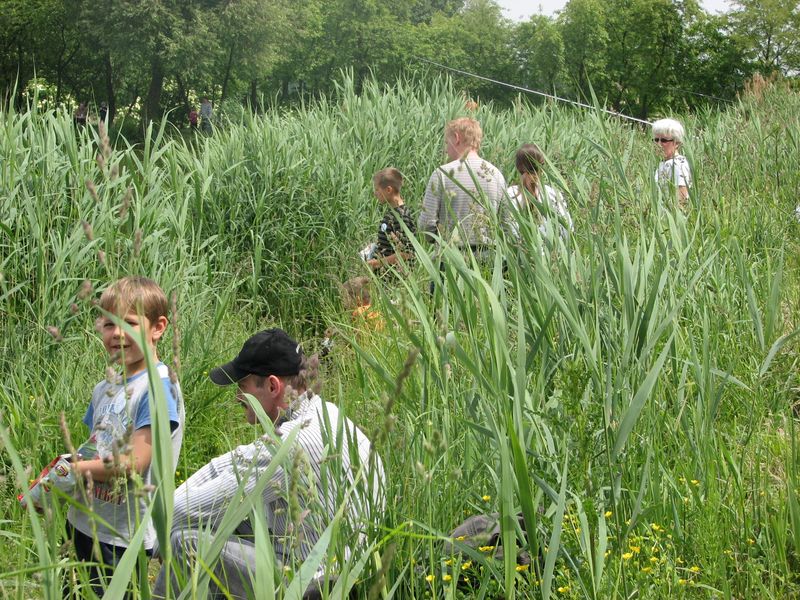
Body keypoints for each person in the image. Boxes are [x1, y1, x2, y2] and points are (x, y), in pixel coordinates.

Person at [153, 328, 384, 599]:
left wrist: (150, 532)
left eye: (243, 386)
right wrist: (166, 506)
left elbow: (192, 508)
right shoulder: (320, 413)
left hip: (316, 581)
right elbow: (226, 466)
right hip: (339, 560)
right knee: (216, 523)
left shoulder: (294, 443)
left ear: (273, 386)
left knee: (186, 544)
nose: (238, 397)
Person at [54, 276, 184, 597]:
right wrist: (54, 484)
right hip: (82, 522)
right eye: (108, 324)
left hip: (120, 538)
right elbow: (89, 450)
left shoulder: (157, 388)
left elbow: (133, 464)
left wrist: (76, 470)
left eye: (128, 323)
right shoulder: (106, 387)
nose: (117, 334)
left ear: (158, 327)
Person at [418, 117, 507, 255]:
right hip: (488, 259)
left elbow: (426, 224)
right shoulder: (496, 175)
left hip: (449, 257)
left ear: (457, 138)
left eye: (447, 143)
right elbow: (505, 223)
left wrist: (435, 238)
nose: (446, 150)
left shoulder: (442, 174)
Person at [506, 143, 573, 241]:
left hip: (521, 253)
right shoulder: (553, 194)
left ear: (518, 167)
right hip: (552, 253)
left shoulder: (510, 194)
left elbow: (510, 230)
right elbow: (567, 226)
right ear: (542, 166)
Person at [366, 167, 415, 272]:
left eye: (377, 190)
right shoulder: (393, 213)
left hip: (392, 278)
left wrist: (377, 263)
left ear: (388, 190)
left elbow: (407, 253)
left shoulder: (401, 217)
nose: (375, 194)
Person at [652, 118, 692, 206]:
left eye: (664, 140)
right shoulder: (663, 163)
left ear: (676, 143)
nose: (658, 144)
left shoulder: (678, 164)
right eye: (656, 140)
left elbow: (682, 199)